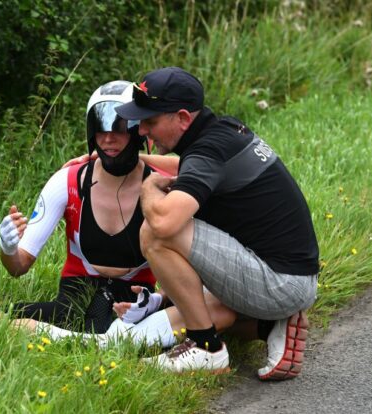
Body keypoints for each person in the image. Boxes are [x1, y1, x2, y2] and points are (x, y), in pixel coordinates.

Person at [0, 80, 235, 340]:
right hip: (72, 302)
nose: (108, 140)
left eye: (118, 130)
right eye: (100, 131)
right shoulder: (68, 181)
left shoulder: (164, 185)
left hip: (132, 305)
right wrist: (8, 249)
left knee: (223, 315)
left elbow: (197, 256)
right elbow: (18, 267)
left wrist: (159, 299)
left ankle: (80, 340)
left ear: (139, 131)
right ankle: (87, 339)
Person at [113, 67, 320, 380]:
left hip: (280, 284)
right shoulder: (223, 131)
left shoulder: (207, 151)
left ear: (182, 118)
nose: (141, 130)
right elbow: (187, 166)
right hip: (290, 276)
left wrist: (148, 188)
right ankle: (272, 324)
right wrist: (132, 163)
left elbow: (165, 223)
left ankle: (206, 347)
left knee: (155, 234)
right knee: (193, 295)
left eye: (150, 120)